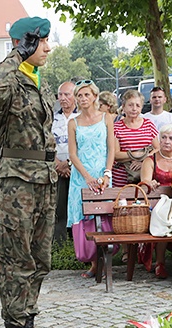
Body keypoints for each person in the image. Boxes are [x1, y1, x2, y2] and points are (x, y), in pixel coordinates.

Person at [0, 16, 62, 328]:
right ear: (25, 43)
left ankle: (28, 326)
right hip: (16, 182)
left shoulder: (36, 81)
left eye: (45, 42)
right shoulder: (10, 78)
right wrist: (18, 54)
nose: (47, 48)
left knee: (40, 260)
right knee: (18, 262)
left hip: (42, 180)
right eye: (41, 42)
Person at [66, 80, 114, 277]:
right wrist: (86, 177)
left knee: (103, 217)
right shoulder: (73, 123)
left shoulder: (106, 118)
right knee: (86, 219)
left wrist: (107, 173)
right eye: (79, 95)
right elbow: (73, 154)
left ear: (95, 96)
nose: (83, 99)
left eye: (86, 94)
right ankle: (93, 263)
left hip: (103, 175)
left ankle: (106, 262)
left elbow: (111, 148)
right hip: (81, 177)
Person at [140, 123, 172, 278]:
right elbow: (144, 181)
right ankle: (160, 263)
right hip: (158, 205)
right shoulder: (150, 159)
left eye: (171, 138)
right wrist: (149, 182)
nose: (166, 141)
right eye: (163, 137)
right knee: (163, 217)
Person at [112, 89, 158, 187]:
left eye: (138, 105)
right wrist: (135, 154)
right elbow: (115, 154)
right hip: (121, 177)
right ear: (123, 107)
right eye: (130, 105)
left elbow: (158, 149)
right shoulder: (116, 127)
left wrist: (143, 161)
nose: (134, 108)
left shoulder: (148, 124)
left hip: (145, 175)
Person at [52, 80, 77, 243]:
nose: (63, 98)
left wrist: (68, 163)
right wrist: (58, 164)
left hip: (76, 169)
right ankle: (59, 244)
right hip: (56, 169)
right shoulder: (52, 119)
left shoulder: (81, 117)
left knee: (76, 207)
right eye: (60, 95)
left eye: (67, 94)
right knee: (58, 208)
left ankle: (78, 244)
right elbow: (46, 143)